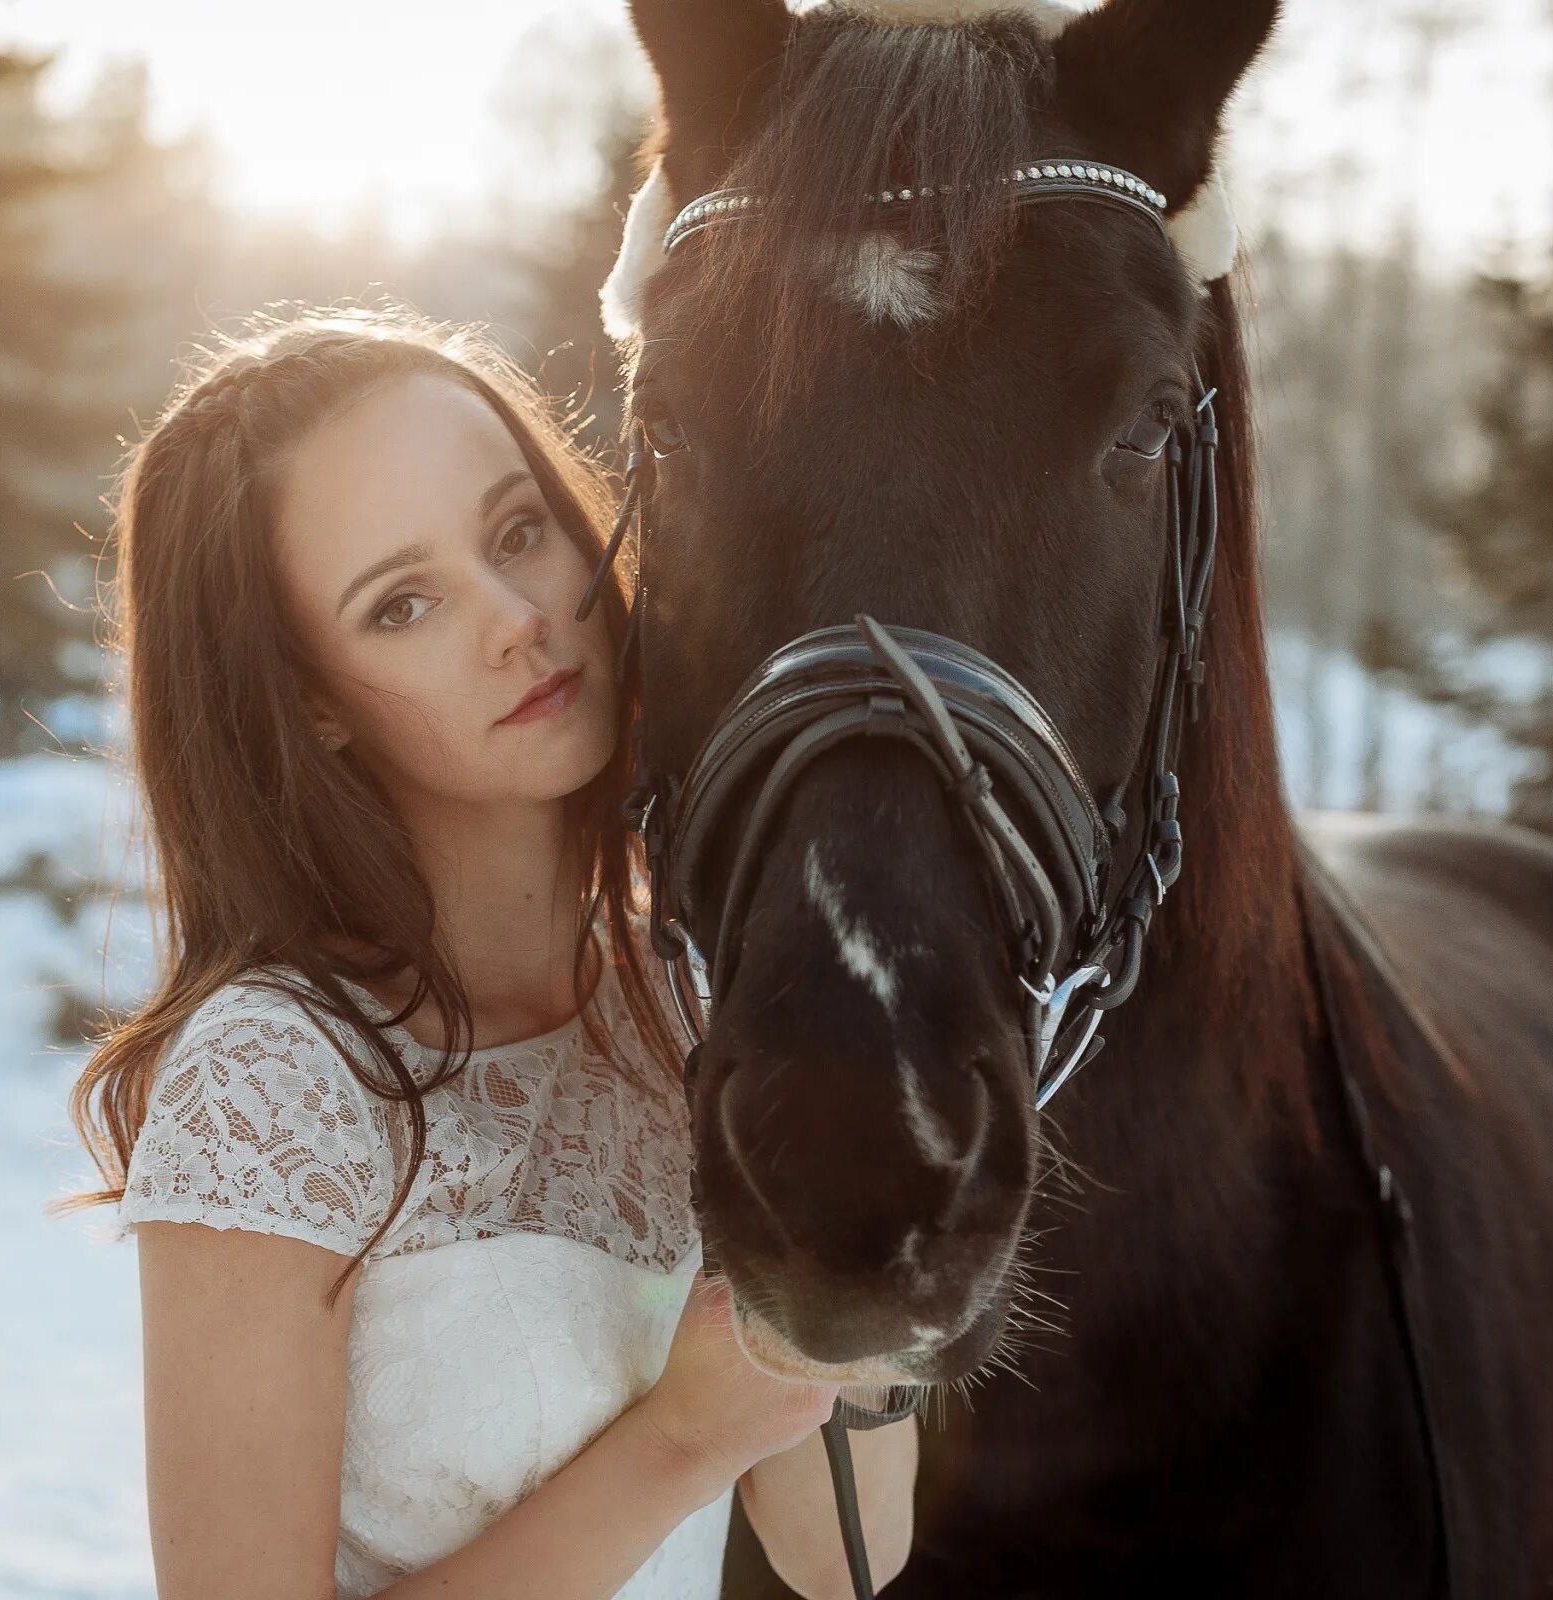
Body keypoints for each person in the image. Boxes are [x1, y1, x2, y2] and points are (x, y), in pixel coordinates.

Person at [59, 307, 919, 1600]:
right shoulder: (275, 1078)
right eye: (404, 604)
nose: (516, 617)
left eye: (519, 531)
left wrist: (859, 1231)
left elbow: (846, 1555)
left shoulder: (692, 1007)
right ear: (308, 702)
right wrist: (678, 1443)